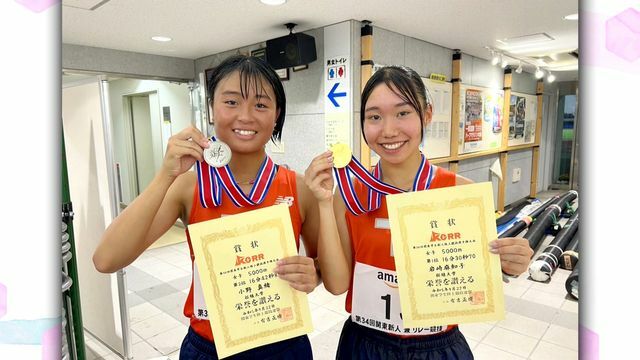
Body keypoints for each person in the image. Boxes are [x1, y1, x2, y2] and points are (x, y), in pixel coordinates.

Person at [93, 55, 320, 359]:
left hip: (282, 343)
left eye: (261, 105)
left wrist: (313, 273)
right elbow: (106, 259)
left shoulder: (299, 187)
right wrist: (165, 175)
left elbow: (327, 271)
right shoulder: (188, 186)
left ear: (277, 114)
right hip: (208, 346)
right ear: (212, 109)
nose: (246, 115)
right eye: (231, 102)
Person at [305, 65, 534, 359]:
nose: (388, 130)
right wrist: (323, 202)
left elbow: (478, 273)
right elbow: (337, 286)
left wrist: (509, 260)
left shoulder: (461, 193)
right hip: (365, 343)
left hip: (437, 345)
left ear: (426, 114)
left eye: (403, 113)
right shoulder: (350, 194)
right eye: (374, 117)